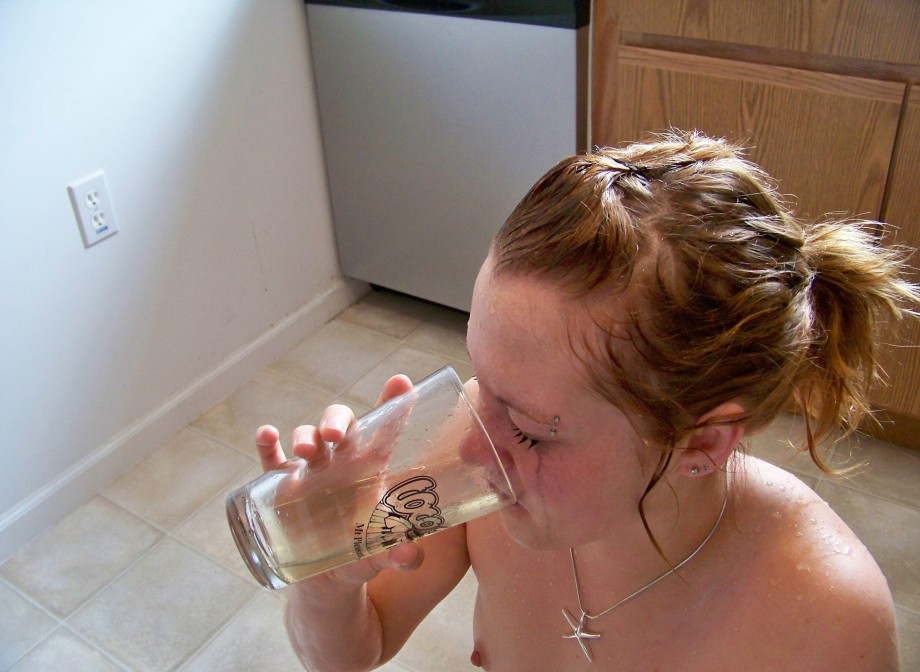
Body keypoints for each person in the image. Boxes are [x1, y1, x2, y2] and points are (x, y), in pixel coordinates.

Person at [255, 130, 917, 671]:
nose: (471, 444)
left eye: (531, 430)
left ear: (702, 441)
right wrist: (328, 586)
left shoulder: (827, 622)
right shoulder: (480, 458)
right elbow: (357, 648)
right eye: (481, 379)